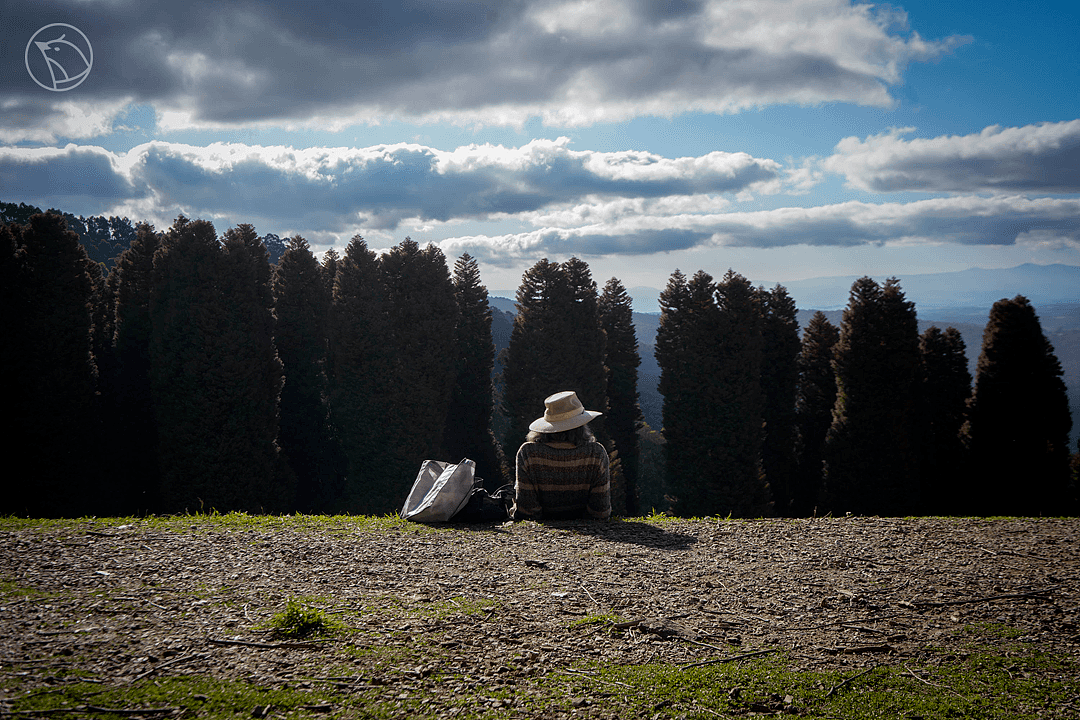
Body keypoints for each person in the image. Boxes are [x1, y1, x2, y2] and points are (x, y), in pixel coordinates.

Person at [512, 391, 611, 521]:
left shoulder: (529, 453)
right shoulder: (596, 453)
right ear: (581, 425)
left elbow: (527, 510)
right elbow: (601, 511)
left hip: (543, 527)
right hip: (585, 525)